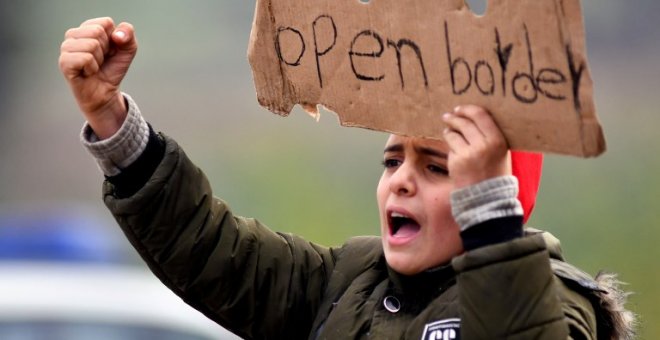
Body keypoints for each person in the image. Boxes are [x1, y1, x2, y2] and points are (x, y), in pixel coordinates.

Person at [59, 17, 635, 339]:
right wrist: (113, 123)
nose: (401, 182)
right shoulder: (346, 280)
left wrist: (489, 215)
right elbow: (213, 249)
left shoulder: (559, 303)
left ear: (497, 195)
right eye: (391, 161)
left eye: (437, 167)